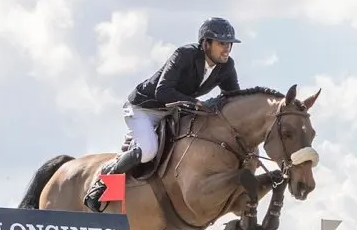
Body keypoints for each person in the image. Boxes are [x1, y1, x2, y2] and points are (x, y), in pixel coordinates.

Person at [84, 17, 242, 211]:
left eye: (229, 44)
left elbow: (233, 97)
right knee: (148, 150)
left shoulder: (226, 66)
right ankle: (102, 182)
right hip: (145, 108)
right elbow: (163, 91)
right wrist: (197, 103)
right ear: (206, 43)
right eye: (221, 44)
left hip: (173, 112)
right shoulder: (185, 55)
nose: (227, 49)